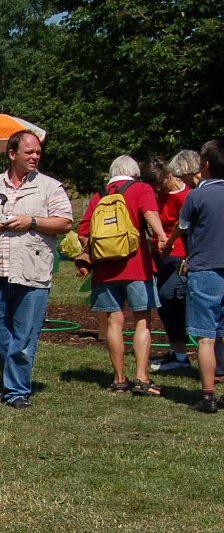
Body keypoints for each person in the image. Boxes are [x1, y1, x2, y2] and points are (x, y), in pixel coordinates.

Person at [0, 130, 73, 409]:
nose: (36, 156)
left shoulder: (50, 187)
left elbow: (64, 223)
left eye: (38, 152)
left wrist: (31, 221)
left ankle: (16, 391)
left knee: (24, 338)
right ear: (12, 154)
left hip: (32, 273)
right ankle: (14, 378)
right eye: (29, 152)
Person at [76, 156, 167, 396]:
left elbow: (83, 232)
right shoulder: (141, 189)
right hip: (137, 265)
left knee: (114, 322)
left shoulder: (99, 195)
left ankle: (118, 380)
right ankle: (142, 377)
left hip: (105, 269)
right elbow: (150, 214)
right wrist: (161, 236)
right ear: (135, 174)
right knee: (142, 321)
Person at [164, 139, 224, 413]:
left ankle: (208, 396)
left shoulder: (196, 196)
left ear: (206, 165)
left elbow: (182, 226)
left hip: (205, 269)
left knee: (205, 338)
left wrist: (167, 244)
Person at [140, 154, 192, 373]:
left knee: (169, 296)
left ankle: (181, 353)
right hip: (159, 254)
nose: (158, 189)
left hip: (178, 254)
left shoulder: (185, 196)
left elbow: (186, 227)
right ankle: (175, 351)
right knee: (164, 302)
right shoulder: (157, 195)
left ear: (169, 175)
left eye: (160, 184)